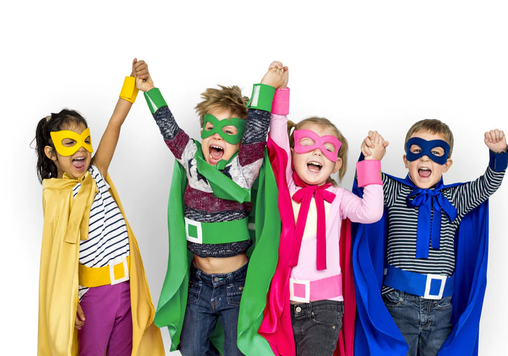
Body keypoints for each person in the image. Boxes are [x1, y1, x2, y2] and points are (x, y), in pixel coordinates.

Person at [134, 60, 286, 355]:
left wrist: (266, 86)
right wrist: (150, 90)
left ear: (239, 140)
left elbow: (256, 133)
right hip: (198, 283)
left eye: (228, 131)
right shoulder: (192, 160)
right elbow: (169, 130)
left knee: (235, 350)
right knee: (190, 350)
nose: (217, 136)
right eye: (211, 129)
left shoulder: (244, 169)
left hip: (235, 286)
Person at [35, 59, 165, 356]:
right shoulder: (55, 196)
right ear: (51, 152)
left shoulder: (97, 173)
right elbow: (59, 257)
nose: (81, 149)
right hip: (92, 297)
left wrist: (133, 82)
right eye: (69, 143)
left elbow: (114, 124)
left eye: (85, 141)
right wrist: (70, 300)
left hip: (126, 287)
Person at [259, 62, 386, 356]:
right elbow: (276, 143)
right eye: (307, 143)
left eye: (327, 149)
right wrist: (280, 92)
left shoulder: (339, 198)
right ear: (293, 153)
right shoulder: (286, 186)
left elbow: (371, 213)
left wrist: (371, 163)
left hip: (326, 309)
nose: (317, 151)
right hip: (282, 303)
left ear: (336, 163)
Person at [353, 119, 508, 356]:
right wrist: (371, 156)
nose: (425, 159)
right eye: (417, 151)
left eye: (435, 153)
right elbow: (365, 179)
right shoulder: (395, 192)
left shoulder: (456, 198)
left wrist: (499, 154)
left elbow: (488, 185)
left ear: (446, 164)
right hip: (398, 302)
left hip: (440, 307)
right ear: (406, 160)